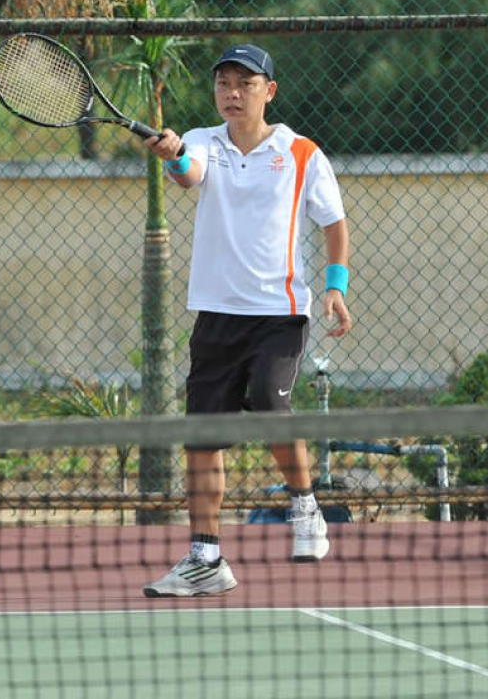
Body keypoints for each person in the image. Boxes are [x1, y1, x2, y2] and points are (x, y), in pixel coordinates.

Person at [142, 43, 352, 598]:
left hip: (279, 314)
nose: (232, 94)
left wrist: (335, 288)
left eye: (245, 84)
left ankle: (306, 509)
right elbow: (189, 172)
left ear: (269, 91)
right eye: (223, 84)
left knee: (268, 399)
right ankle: (206, 557)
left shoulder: (303, 152)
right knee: (202, 440)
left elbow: (334, 225)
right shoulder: (206, 142)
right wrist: (171, 153)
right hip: (216, 316)